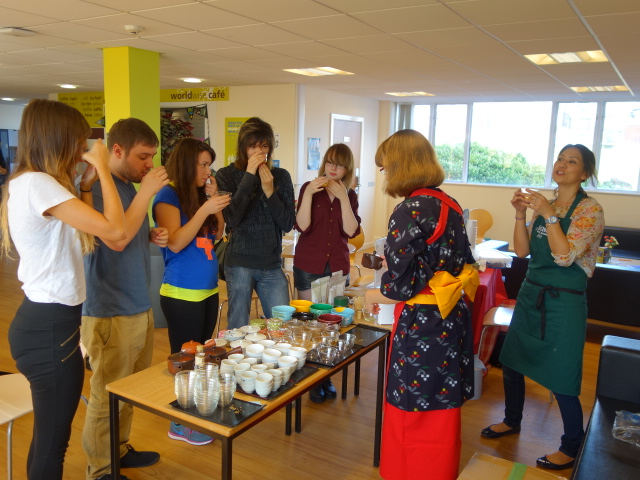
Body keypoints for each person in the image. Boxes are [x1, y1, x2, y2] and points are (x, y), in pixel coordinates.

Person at [0, 99, 126, 480]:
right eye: (77, 139)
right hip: (49, 329)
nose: (81, 148)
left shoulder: (35, 184)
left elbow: (87, 236)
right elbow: (115, 230)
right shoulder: (38, 185)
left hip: (51, 325)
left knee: (48, 440)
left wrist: (86, 185)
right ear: (57, 138)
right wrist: (105, 171)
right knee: (53, 445)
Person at [481, 144, 604, 471]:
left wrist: (549, 214)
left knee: (562, 373)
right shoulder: (544, 206)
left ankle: (572, 445)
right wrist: (521, 214)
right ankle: (512, 420)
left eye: (572, 161)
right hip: (531, 293)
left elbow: (564, 257)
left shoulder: (590, 210)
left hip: (564, 302)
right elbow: (522, 251)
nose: (562, 164)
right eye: (560, 158)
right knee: (512, 361)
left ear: (584, 173)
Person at [364, 129, 478, 480]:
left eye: (385, 167)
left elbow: (401, 285)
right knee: (442, 403)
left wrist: (373, 293)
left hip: (423, 323)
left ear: (400, 165)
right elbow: (463, 260)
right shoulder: (449, 204)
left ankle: (408, 472)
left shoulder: (408, 210)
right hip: (450, 315)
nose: (384, 174)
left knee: (412, 403)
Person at [80, 118, 170, 480]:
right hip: (109, 308)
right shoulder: (97, 187)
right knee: (106, 394)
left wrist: (148, 233)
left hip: (136, 302)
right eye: (143, 156)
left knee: (127, 389)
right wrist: (147, 193)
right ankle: (100, 468)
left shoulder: (129, 187)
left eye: (152, 157)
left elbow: (125, 231)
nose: (149, 164)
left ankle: (117, 451)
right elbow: (114, 239)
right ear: (116, 150)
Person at [152, 138, 230, 445]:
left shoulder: (200, 195)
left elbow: (218, 233)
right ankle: (179, 423)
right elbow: (175, 242)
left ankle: (195, 414)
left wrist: (213, 203)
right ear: (187, 164)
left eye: (209, 165)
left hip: (208, 292)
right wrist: (204, 208)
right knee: (185, 362)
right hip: (181, 294)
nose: (208, 171)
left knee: (202, 359)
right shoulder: (168, 196)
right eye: (203, 164)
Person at [293, 143, 361, 403]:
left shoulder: (350, 195)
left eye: (340, 165)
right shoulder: (309, 188)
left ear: (347, 169)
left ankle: (326, 376)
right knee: (312, 322)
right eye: (330, 162)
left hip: (337, 266)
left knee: (332, 324)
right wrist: (309, 193)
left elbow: (351, 230)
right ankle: (313, 377)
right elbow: (302, 226)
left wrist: (343, 197)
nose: (334, 168)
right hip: (309, 263)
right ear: (324, 163)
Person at [215, 117, 295, 328]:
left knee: (281, 326)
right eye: (253, 146)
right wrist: (249, 176)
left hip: (271, 264)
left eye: (264, 146)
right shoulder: (226, 175)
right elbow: (232, 219)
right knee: (238, 327)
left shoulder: (281, 176)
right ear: (243, 148)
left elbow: (287, 223)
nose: (259, 152)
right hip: (239, 263)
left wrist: (270, 192)